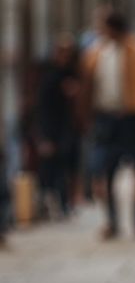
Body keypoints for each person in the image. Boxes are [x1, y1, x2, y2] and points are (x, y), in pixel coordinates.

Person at [80, 7, 135, 240]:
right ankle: (112, 221)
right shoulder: (95, 53)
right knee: (104, 172)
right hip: (105, 118)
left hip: (134, 118)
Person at [34, 34, 83, 220]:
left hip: (69, 128)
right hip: (52, 128)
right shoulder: (49, 75)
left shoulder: (73, 74)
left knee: (67, 167)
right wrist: (44, 135)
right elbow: (43, 107)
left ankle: (65, 203)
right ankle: (50, 205)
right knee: (51, 169)